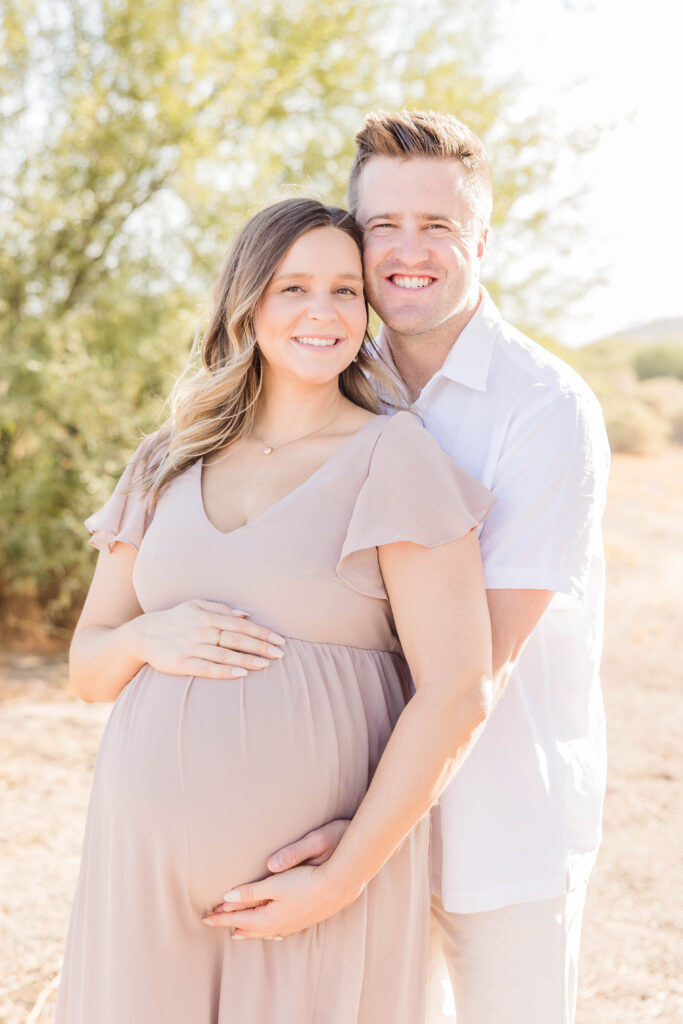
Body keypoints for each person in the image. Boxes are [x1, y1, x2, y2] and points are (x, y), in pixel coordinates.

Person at [55, 197, 496, 1024]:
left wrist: (343, 876)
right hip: (140, 870)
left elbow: (458, 689)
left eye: (342, 290)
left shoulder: (394, 456)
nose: (322, 313)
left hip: (309, 885)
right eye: (293, 288)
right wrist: (150, 635)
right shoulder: (166, 458)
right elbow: (88, 668)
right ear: (246, 300)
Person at [216, 112, 610, 1024]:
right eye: (382, 226)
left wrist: (354, 846)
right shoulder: (334, 381)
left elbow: (477, 671)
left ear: (480, 238)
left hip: (500, 828)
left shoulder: (543, 409)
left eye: (436, 225)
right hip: (338, 804)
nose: (407, 250)